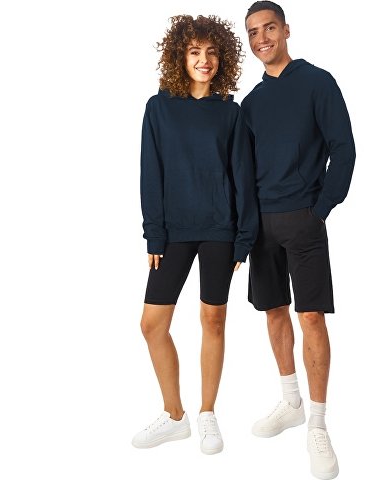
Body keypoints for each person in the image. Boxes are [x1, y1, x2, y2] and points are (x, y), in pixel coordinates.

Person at [131, 14, 257, 455]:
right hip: (173, 232)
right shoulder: (158, 107)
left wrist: (244, 237)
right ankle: (174, 416)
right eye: (195, 51)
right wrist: (154, 234)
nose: (204, 60)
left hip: (220, 230)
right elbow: (151, 173)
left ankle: (207, 413)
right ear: (180, 56)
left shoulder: (230, 113)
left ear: (223, 58)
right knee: (152, 324)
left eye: (212, 52)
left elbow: (242, 177)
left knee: (213, 319)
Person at [241, 2, 356, 478]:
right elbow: (241, 170)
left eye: (269, 27)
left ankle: (318, 424)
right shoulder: (250, 104)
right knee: (273, 311)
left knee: (310, 316)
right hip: (261, 224)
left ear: (286, 30)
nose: (262, 38)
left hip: (304, 219)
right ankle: (291, 401)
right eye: (253, 32)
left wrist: (321, 208)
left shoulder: (317, 82)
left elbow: (343, 148)